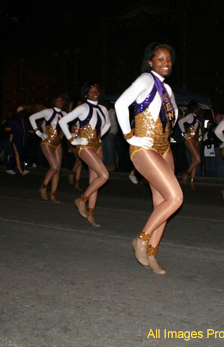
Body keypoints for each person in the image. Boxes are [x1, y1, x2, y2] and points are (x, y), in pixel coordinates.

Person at [115, 43, 181, 275]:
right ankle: (140, 240)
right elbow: (120, 104)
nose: (166, 62)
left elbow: (170, 116)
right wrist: (129, 136)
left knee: (162, 203)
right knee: (175, 198)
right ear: (151, 62)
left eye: (169, 59)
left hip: (164, 148)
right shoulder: (145, 79)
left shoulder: (168, 90)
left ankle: (152, 254)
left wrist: (167, 135)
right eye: (160, 58)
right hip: (144, 147)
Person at [59, 83, 111, 227]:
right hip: (85, 145)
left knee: (95, 180)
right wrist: (72, 139)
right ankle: (81, 200)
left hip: (97, 145)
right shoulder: (83, 107)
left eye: (96, 91)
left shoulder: (102, 108)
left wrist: (100, 136)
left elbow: (107, 124)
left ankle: (91, 214)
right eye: (91, 91)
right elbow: (63, 121)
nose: (94, 93)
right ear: (85, 94)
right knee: (104, 175)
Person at [30, 96, 67, 203]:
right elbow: (32, 117)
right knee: (54, 167)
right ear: (53, 102)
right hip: (47, 142)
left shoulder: (64, 114)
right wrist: (38, 132)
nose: (60, 102)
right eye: (58, 100)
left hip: (58, 143)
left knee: (57, 169)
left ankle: (53, 194)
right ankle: (43, 187)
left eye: (62, 100)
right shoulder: (48, 112)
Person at [178, 100, 202, 189]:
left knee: (194, 161)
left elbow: (198, 129)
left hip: (196, 140)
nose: (198, 109)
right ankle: (186, 173)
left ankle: (192, 180)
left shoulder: (197, 119)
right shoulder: (190, 115)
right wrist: (184, 133)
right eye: (197, 108)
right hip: (190, 139)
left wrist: (200, 137)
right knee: (197, 159)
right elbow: (180, 122)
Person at [5, 106, 31, 176]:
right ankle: (21, 170)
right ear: (19, 112)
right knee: (18, 154)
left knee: (17, 155)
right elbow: (7, 129)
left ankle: (9, 168)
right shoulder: (14, 120)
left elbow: (29, 129)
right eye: (23, 111)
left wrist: (30, 135)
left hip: (24, 140)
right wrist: (15, 132)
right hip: (16, 140)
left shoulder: (25, 120)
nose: (24, 113)